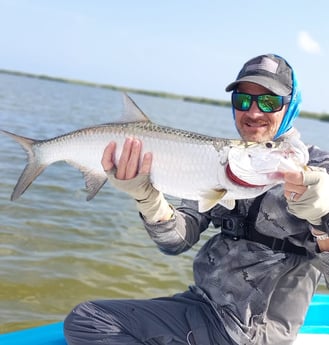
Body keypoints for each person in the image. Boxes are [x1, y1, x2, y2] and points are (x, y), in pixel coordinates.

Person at [64, 54, 329, 345]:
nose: (253, 112)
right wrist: (148, 199)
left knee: (88, 321)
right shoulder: (226, 161)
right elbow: (176, 242)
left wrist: (322, 220)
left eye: (268, 102)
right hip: (202, 305)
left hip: (246, 333)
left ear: (292, 106)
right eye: (243, 101)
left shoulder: (321, 171)